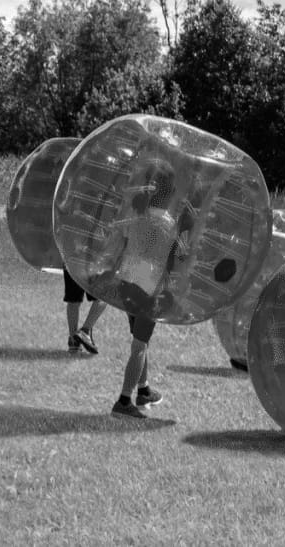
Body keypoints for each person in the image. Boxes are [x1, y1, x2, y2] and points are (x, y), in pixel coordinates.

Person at [110, 161, 186, 419]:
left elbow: (128, 244)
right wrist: (185, 236)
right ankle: (123, 401)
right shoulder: (168, 225)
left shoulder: (138, 215)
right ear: (170, 194)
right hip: (147, 289)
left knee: (140, 341)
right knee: (139, 346)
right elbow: (176, 262)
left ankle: (143, 391)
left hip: (127, 283)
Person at [63, 266, 107, 354]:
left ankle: (73, 342)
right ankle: (85, 331)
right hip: (92, 261)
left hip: (70, 260)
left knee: (73, 300)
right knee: (103, 297)